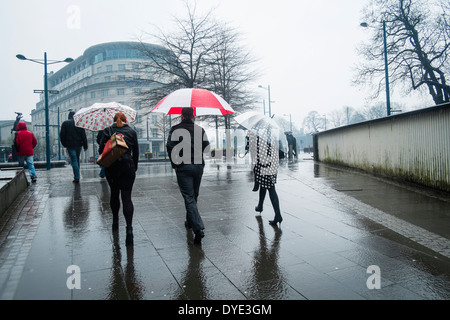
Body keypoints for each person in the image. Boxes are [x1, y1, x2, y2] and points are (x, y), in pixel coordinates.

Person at [166, 107, 210, 244]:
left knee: (188, 197)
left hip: (183, 167)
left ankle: (198, 229)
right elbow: (206, 147)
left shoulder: (175, 129)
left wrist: (175, 164)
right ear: (193, 116)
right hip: (198, 166)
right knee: (193, 195)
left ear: (181, 115)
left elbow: (169, 147)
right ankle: (189, 222)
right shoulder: (200, 130)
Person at [99, 112, 139, 246]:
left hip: (112, 167)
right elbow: (136, 153)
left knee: (114, 194)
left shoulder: (107, 130)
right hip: (128, 166)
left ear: (114, 120)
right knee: (127, 197)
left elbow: (101, 150)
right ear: (125, 119)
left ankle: (115, 221)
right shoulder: (132, 132)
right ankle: (129, 230)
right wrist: (134, 167)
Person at [249, 125, 283, 226]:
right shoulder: (271, 136)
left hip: (263, 165)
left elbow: (253, 150)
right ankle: (260, 206)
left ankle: (278, 215)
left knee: (271, 189)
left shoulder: (256, 135)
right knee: (264, 185)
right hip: (272, 165)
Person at [60, 111, 88, 183]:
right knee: (77, 159)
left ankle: (77, 177)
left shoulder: (65, 124)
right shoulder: (79, 124)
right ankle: (77, 175)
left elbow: (62, 135)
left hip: (70, 145)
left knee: (74, 160)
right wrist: (85, 145)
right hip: (79, 144)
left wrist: (64, 144)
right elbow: (83, 135)